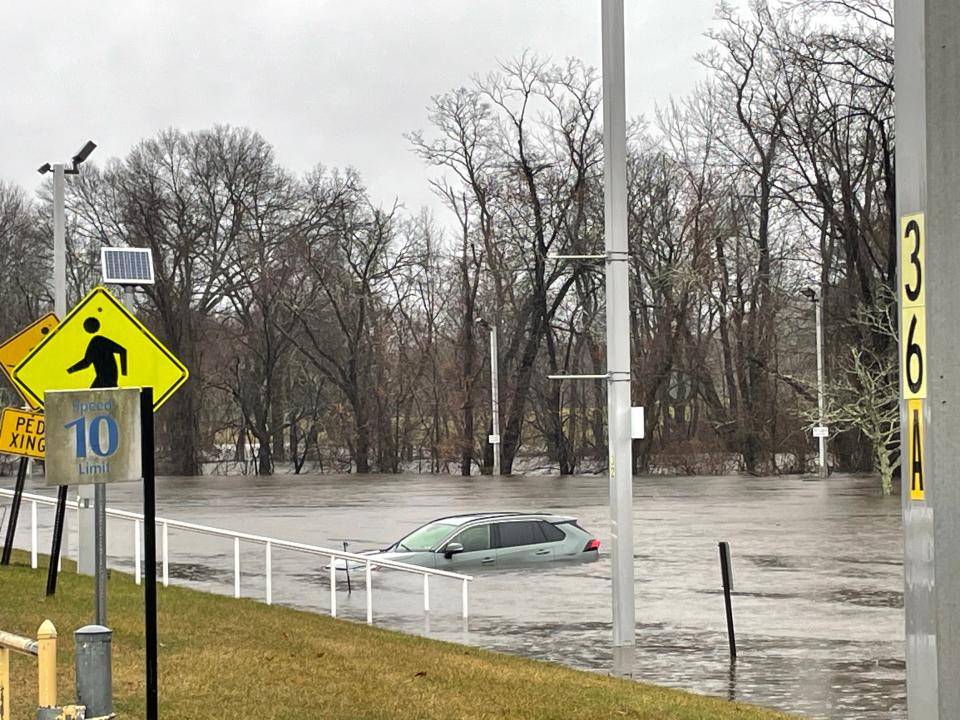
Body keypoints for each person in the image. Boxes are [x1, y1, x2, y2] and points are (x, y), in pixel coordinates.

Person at [67, 317, 128, 388]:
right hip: (108, 377)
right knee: (91, 396)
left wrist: (70, 370)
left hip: (105, 379)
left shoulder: (95, 342)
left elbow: (86, 362)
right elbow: (122, 350)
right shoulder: (101, 340)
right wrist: (124, 373)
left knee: (90, 396)